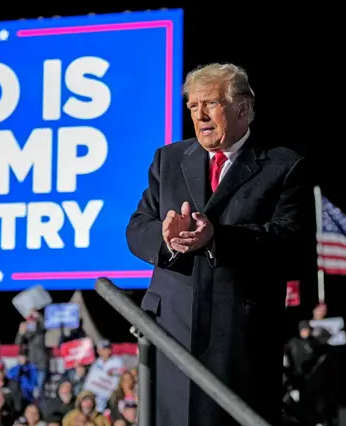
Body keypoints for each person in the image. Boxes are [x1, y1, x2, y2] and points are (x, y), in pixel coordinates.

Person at [126, 62, 312, 426]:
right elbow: (137, 228)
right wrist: (166, 240)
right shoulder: (169, 159)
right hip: (171, 331)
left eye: (210, 103)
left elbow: (290, 243)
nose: (200, 115)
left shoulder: (283, 165)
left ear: (242, 108)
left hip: (239, 339)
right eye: (193, 106)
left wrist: (218, 239)